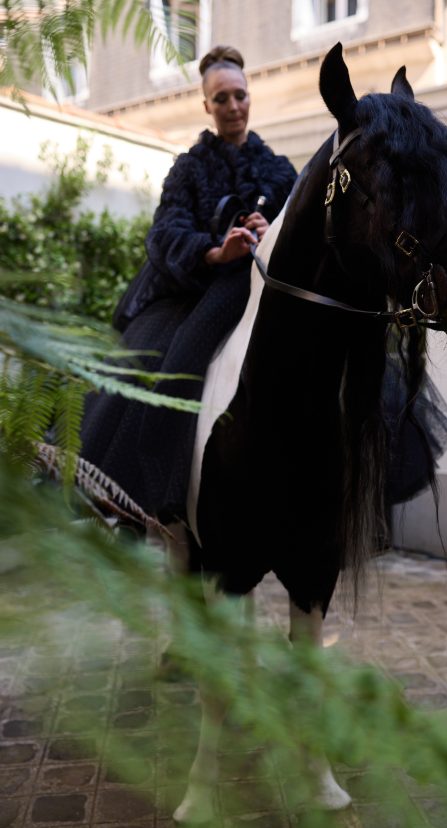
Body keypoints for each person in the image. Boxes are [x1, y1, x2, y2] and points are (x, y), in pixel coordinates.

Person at [79, 45, 297, 526]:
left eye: (240, 95)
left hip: (265, 288)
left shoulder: (281, 172)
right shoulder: (189, 168)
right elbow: (164, 234)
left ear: (250, 96)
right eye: (221, 99)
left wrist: (270, 230)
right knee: (170, 370)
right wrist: (217, 251)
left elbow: (301, 235)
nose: (233, 106)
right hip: (193, 292)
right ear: (206, 106)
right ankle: (165, 493)